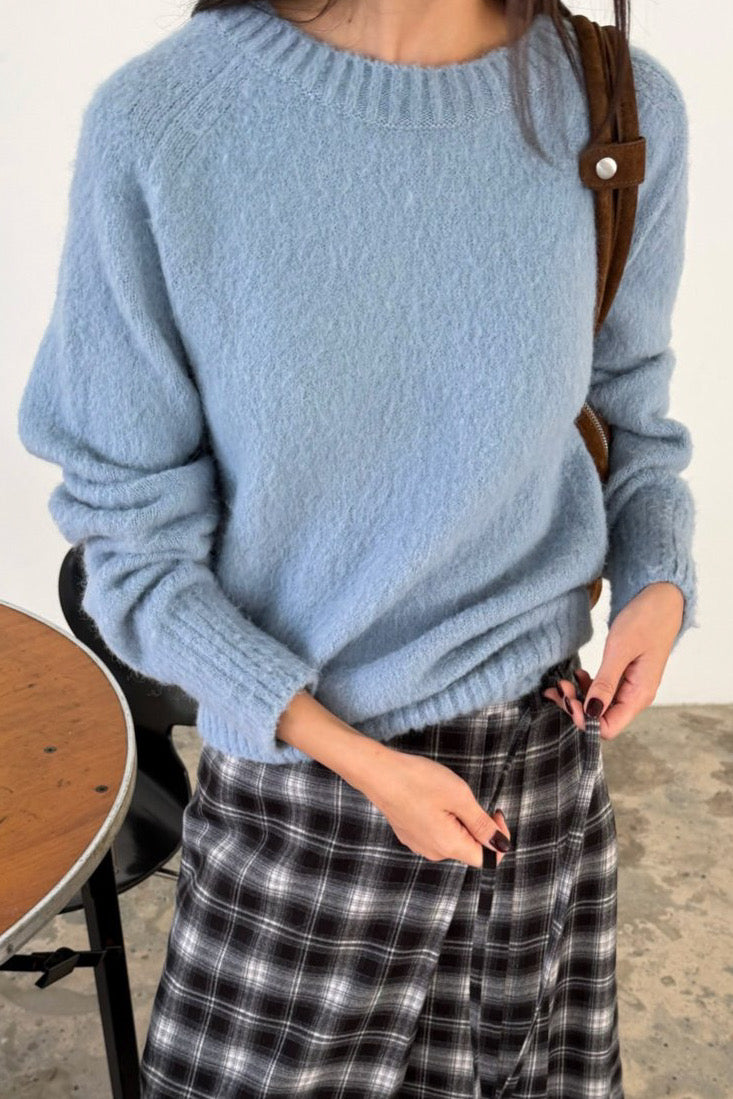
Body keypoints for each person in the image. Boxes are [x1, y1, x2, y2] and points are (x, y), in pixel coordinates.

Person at [17, 0, 697, 1095]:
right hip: (301, 794)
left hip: (538, 786)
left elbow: (631, 413)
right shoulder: (165, 125)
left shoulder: (617, 106)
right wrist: (354, 757)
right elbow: (127, 534)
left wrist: (657, 579)